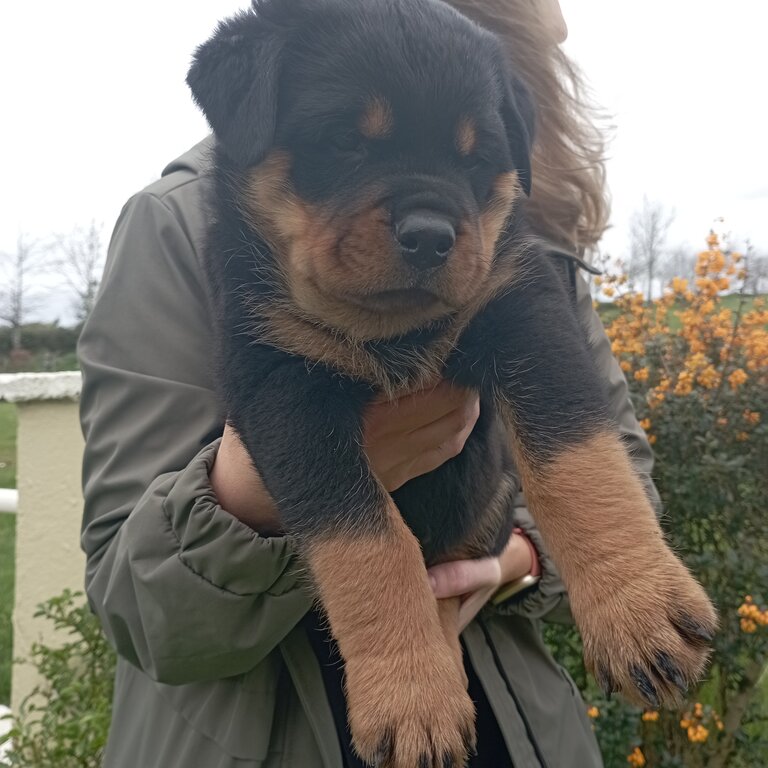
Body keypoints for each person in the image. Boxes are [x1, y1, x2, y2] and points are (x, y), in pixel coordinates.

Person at [78, 0, 660, 765]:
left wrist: (523, 559)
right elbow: (133, 601)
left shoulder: (512, 235)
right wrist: (252, 497)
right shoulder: (179, 224)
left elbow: (605, 455)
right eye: (348, 149)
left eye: (471, 161)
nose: (430, 223)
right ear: (252, 127)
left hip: (507, 721)